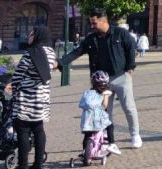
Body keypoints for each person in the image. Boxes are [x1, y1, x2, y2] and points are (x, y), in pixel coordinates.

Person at [61, 9, 143, 149]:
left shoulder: (120, 33)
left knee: (129, 107)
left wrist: (130, 67)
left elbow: (131, 48)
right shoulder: (91, 38)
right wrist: (60, 62)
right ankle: (106, 136)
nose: (91, 25)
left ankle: (135, 135)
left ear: (103, 21)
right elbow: (77, 52)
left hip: (121, 76)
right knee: (104, 110)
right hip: (101, 81)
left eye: (94, 22)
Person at [6, 25, 57, 169]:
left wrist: (11, 85)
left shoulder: (30, 53)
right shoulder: (51, 52)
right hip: (42, 98)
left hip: (26, 98)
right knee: (39, 130)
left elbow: (19, 74)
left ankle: (22, 168)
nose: (29, 37)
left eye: (31, 34)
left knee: (22, 131)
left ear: (37, 36)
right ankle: (38, 165)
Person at [78, 70, 113, 166]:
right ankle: (112, 144)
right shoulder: (105, 93)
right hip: (99, 118)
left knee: (87, 135)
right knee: (110, 126)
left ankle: (85, 151)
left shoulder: (88, 93)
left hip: (87, 120)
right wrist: (105, 97)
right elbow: (104, 106)